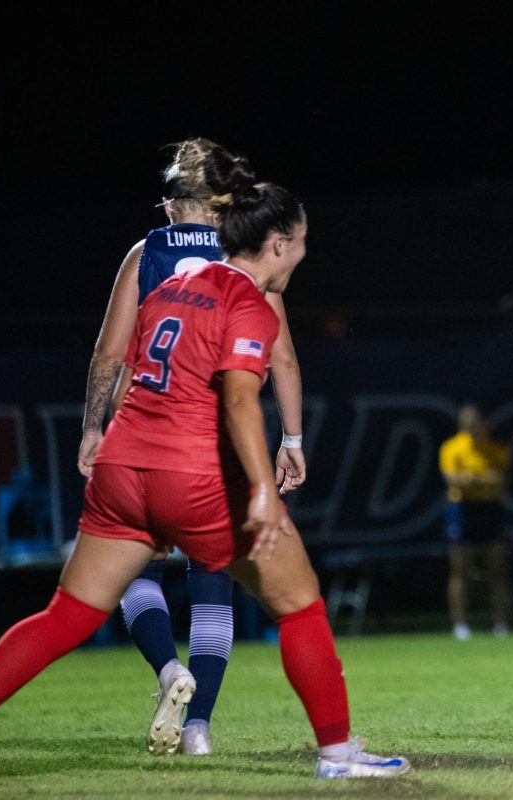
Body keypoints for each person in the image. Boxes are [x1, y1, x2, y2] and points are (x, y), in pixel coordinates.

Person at [0, 150, 410, 790]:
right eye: (301, 244)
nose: (303, 256)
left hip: (122, 467)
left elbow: (123, 366)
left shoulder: (164, 281)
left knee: (67, 614)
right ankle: (337, 755)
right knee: (301, 606)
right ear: (275, 244)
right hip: (192, 476)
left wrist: (96, 431)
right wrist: (259, 489)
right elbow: (233, 400)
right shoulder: (251, 306)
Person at [78, 138, 308, 756]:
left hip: (145, 435)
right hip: (218, 444)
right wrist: (291, 437)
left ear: (173, 202)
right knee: (215, 586)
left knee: (130, 569)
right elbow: (282, 356)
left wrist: (92, 428)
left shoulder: (146, 251)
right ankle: (199, 727)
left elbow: (111, 353)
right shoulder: (246, 255)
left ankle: (166, 670)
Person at [438, 404, 513, 640]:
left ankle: (502, 623)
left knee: (497, 569)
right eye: (468, 425)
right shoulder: (452, 447)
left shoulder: (495, 449)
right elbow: (454, 480)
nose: (473, 429)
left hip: (489, 509)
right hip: (462, 510)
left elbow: (500, 480)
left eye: (477, 425)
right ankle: (461, 625)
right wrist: (480, 479)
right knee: (460, 569)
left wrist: (473, 479)